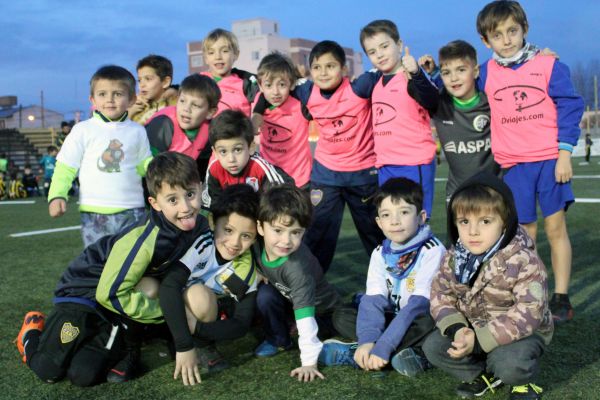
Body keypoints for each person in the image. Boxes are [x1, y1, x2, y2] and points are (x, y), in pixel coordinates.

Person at [14, 153, 209, 387]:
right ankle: (31, 333)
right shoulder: (145, 239)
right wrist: (170, 314)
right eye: (173, 200)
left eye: (190, 194)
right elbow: (109, 293)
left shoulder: (202, 226)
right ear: (155, 203)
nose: (186, 207)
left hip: (115, 305)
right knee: (49, 370)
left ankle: (124, 338)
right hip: (84, 293)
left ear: (201, 188)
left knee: (83, 375)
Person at [476, 0, 584, 322]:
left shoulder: (549, 65)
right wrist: (423, 69)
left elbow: (570, 108)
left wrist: (564, 155)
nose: (507, 40)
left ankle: (561, 296)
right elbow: (453, 88)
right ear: (486, 41)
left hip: (550, 161)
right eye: (498, 35)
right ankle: (529, 293)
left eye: (513, 30)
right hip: (514, 167)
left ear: (525, 29)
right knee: (524, 234)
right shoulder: (485, 72)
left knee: (555, 228)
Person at [422, 172, 553, 400]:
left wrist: (480, 341)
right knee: (433, 346)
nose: (473, 231)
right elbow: (440, 295)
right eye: (464, 222)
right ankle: (482, 375)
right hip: (473, 328)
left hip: (520, 334)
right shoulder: (455, 256)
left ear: (505, 221)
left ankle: (522, 383)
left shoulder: (524, 260)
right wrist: (458, 330)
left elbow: (529, 314)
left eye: (485, 221)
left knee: (510, 362)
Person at [318, 178, 445, 377]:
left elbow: (417, 306)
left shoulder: (433, 250)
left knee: (429, 323)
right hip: (392, 318)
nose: (394, 221)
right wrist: (368, 339)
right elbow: (374, 299)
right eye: (386, 215)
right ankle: (385, 352)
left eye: (404, 212)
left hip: (415, 318)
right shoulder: (380, 252)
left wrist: (384, 344)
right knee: (342, 316)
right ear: (379, 222)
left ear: (421, 217)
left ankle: (363, 354)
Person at [278, 40, 385, 273]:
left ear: (344, 70)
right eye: (317, 67)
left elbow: (389, 73)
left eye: (330, 66)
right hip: (326, 175)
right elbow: (274, 82)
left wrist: (421, 71)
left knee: (375, 233)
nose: (323, 73)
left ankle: (390, 284)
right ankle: (310, 289)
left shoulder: (360, 87)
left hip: (363, 174)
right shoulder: (306, 91)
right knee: (317, 234)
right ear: (309, 70)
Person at [150, 184, 260, 375]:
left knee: (199, 295)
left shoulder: (245, 270)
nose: (235, 243)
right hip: (170, 308)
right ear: (212, 222)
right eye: (228, 230)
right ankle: (139, 344)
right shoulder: (201, 244)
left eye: (246, 236)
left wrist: (197, 328)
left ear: (256, 237)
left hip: (198, 320)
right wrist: (184, 344)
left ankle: (203, 346)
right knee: (148, 288)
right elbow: (169, 286)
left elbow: (241, 325)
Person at [48, 65, 152, 247]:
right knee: (97, 264)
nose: (110, 100)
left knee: (131, 262)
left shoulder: (138, 131)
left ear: (132, 99)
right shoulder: (82, 130)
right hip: (94, 212)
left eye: (118, 94)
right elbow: (66, 166)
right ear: (93, 100)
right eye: (102, 94)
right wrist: (57, 195)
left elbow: (144, 166)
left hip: (133, 210)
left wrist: (164, 171)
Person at [252, 184, 342, 383]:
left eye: (296, 232)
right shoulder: (255, 245)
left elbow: (305, 317)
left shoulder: (297, 268)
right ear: (260, 227)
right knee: (265, 294)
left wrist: (309, 362)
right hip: (290, 302)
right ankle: (278, 340)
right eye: (278, 230)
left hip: (322, 311)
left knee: (343, 324)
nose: (286, 241)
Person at [359, 20, 440, 216]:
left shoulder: (410, 77)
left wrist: (417, 73)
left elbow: (432, 101)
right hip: (385, 164)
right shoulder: (376, 84)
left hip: (413, 162)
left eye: (384, 46)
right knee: (391, 220)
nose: (379, 54)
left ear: (400, 45)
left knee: (416, 220)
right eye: (372, 51)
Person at [419, 40, 500, 200]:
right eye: (447, 73)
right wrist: (419, 72)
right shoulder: (439, 103)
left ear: (476, 71)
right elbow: (426, 89)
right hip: (458, 194)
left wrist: (539, 58)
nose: (454, 78)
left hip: (494, 192)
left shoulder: (492, 100)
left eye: (461, 70)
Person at [198, 28, 260, 177]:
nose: (218, 57)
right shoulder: (199, 83)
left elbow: (261, 104)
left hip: (241, 154)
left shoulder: (246, 84)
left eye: (224, 51)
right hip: (211, 156)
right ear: (205, 58)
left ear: (235, 54)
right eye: (211, 52)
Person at [202, 109, 292, 211]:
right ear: (215, 152)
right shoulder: (214, 169)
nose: (231, 159)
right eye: (223, 152)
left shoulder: (260, 168)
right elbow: (212, 206)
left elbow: (280, 202)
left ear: (251, 147)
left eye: (237, 150)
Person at [253, 52, 312, 189]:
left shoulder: (301, 105)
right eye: (268, 85)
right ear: (260, 86)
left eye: (281, 85)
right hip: (270, 178)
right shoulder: (259, 101)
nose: (275, 92)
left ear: (292, 84)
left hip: (300, 180)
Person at [145, 74, 220, 159]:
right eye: (182, 101)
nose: (186, 109)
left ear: (210, 112)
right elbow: (149, 163)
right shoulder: (163, 124)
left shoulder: (210, 130)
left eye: (195, 105)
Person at [128, 54, 178, 125]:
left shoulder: (177, 105)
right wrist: (130, 114)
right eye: (139, 80)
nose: (142, 85)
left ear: (165, 82)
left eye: (148, 79)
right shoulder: (136, 108)